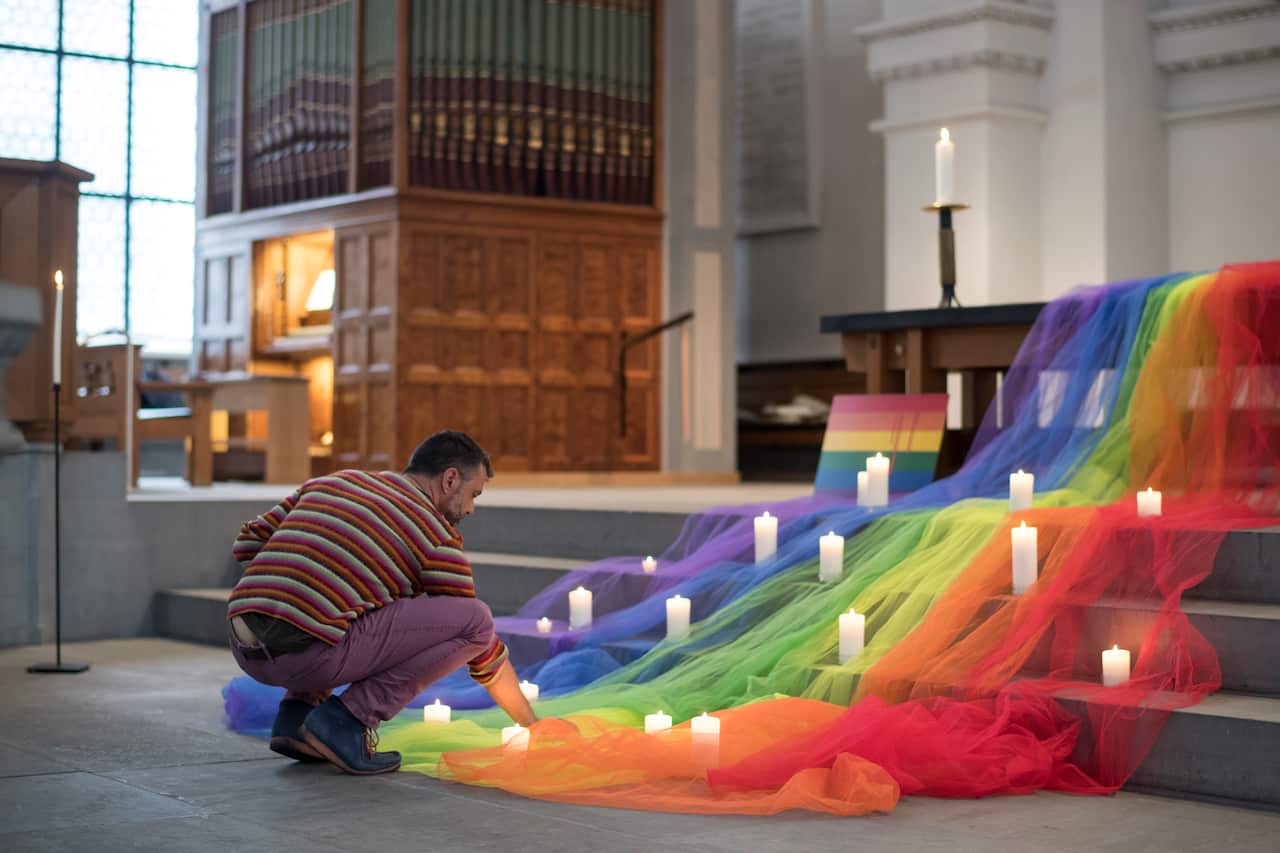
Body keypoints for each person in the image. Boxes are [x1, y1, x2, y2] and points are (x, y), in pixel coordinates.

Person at [226, 429, 536, 775]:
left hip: (243, 646)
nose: (470, 509)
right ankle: (346, 721)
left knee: (345, 600)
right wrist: (532, 724)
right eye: (473, 494)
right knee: (475, 619)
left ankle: (295, 718)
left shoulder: (334, 482)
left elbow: (246, 543)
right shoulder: (434, 532)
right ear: (450, 479)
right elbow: (478, 639)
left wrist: (304, 573)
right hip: (307, 657)